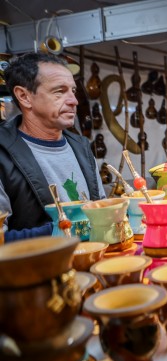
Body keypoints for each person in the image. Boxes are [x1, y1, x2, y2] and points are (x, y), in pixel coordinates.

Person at [0, 52, 105, 242]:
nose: (74, 101)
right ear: (24, 96)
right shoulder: (3, 154)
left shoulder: (81, 147)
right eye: (59, 91)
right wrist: (68, 228)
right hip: (40, 268)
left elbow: (101, 207)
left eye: (72, 91)